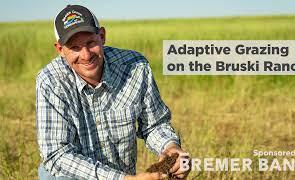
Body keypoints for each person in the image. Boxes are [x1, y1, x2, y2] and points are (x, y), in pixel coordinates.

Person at [36, 4, 190, 180]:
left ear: (102, 36)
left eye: (90, 43)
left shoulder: (135, 67)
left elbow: (154, 125)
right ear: (60, 50)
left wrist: (170, 147)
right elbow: (57, 154)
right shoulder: (50, 81)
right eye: (74, 48)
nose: (86, 55)